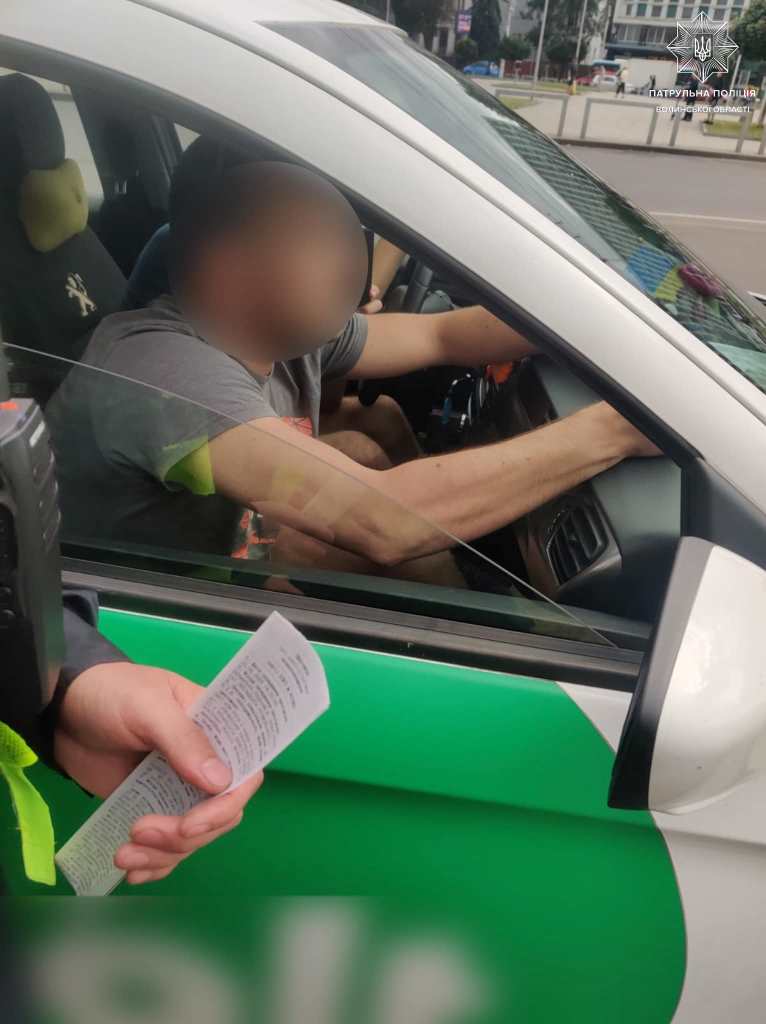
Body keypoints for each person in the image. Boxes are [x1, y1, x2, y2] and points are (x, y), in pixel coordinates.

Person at [45, 161, 658, 585]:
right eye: (316, 242)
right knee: (380, 534)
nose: (351, 263)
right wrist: (618, 428)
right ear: (231, 269)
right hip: (145, 624)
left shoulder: (282, 331)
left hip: (219, 565)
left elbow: (443, 335)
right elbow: (382, 520)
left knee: (363, 451)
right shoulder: (162, 371)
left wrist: (608, 316)